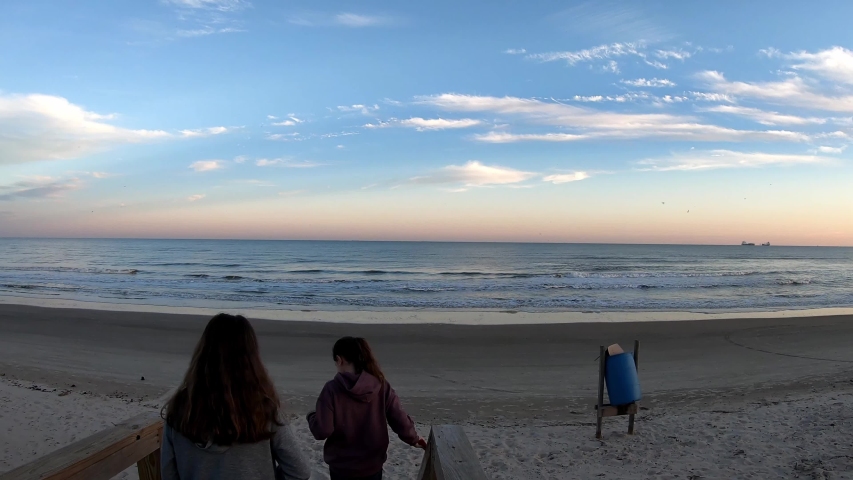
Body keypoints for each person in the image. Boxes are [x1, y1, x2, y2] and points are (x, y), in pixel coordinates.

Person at [161, 313, 311, 480]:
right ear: (251, 359)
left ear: (203, 352)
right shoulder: (264, 409)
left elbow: (168, 473)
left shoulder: (180, 409)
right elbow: (300, 471)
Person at [307, 336, 426, 480]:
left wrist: (311, 416)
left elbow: (322, 430)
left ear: (339, 360)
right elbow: (399, 419)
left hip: (342, 468)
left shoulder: (332, 389)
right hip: (372, 465)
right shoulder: (381, 385)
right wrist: (414, 438)